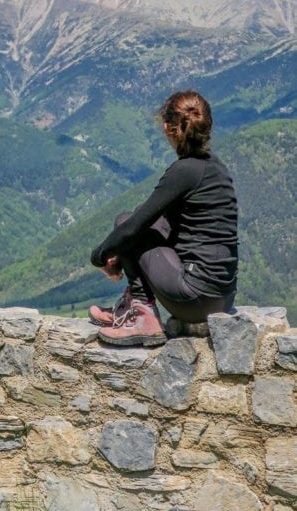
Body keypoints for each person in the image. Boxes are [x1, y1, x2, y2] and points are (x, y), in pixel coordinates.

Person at [88, 89, 238, 347]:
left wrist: (100, 255)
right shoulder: (214, 168)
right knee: (135, 222)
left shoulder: (184, 171)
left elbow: (135, 226)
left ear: (168, 128)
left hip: (194, 296)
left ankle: (142, 317)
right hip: (222, 298)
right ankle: (134, 307)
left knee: (126, 221)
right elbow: (163, 224)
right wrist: (121, 251)